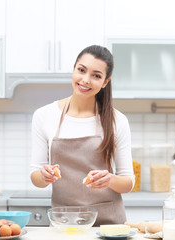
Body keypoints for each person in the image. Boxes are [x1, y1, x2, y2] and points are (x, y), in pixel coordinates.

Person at [30, 45, 134, 225]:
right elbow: (35, 177)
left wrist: (110, 180)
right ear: (74, 69)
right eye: (81, 70)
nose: (85, 80)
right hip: (64, 223)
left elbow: (128, 182)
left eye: (96, 75)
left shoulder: (118, 120)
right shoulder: (44, 116)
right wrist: (43, 176)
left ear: (105, 82)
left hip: (108, 225)